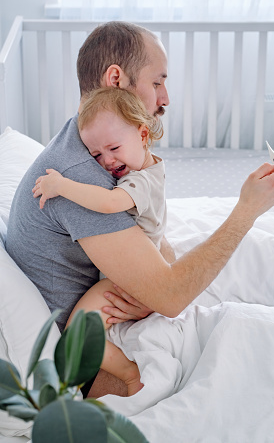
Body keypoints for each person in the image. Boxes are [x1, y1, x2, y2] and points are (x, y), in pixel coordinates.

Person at [5, 21, 274, 399]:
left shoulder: (84, 144)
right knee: (269, 366)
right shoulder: (81, 180)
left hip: (108, 313)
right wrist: (247, 211)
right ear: (116, 78)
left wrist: (153, 282)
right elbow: (171, 298)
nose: (166, 97)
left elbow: (154, 245)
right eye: (157, 82)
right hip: (84, 369)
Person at [32, 86, 169, 396]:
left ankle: (130, 375)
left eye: (113, 147)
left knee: (74, 337)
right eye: (96, 154)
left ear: (143, 135)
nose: (106, 161)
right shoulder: (151, 167)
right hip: (137, 276)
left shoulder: (139, 182)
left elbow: (108, 203)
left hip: (130, 281)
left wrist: (62, 186)